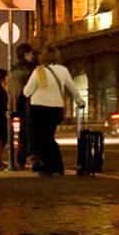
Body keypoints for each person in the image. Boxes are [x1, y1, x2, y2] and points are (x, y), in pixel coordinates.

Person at [22, 45, 77, 176]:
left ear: (43, 57)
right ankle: (53, 166)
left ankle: (52, 166)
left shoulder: (39, 70)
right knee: (48, 136)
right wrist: (80, 101)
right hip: (56, 109)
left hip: (39, 109)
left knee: (41, 138)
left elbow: (27, 91)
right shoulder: (63, 70)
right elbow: (72, 88)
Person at [13, 44, 40, 169]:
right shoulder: (32, 70)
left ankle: (21, 158)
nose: (32, 56)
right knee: (33, 132)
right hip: (31, 103)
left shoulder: (13, 70)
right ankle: (34, 157)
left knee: (23, 133)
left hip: (19, 105)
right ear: (25, 55)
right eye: (30, 54)